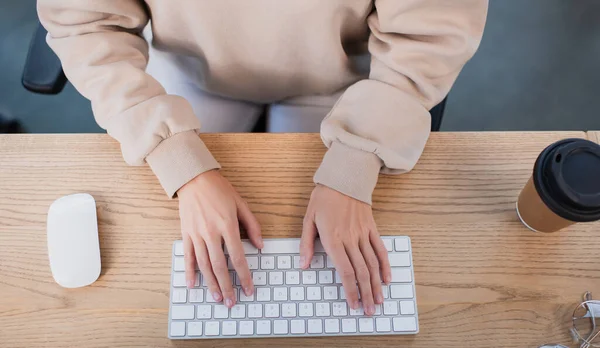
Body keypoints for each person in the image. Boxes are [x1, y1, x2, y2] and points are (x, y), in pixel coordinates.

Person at [38, 0, 488, 316]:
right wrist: (177, 158)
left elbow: (431, 35)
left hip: (337, 82)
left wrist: (357, 157)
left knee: (308, 259)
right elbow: (84, 25)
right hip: (189, 74)